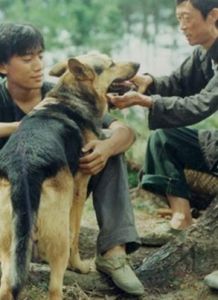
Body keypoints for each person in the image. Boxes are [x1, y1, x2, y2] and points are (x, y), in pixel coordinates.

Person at [0, 22, 144, 296]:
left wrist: (106, 147)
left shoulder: (67, 93)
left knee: (106, 149)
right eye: (27, 58)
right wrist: (25, 125)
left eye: (41, 56)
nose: (37, 65)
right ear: (3, 66)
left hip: (55, 190)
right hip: (12, 193)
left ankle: (114, 251)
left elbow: (125, 132)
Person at [108, 0, 218, 289]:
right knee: (163, 138)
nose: (181, 26)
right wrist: (145, 83)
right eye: (178, 19)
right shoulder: (204, 55)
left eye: (186, 18)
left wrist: (146, 101)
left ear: (213, 16)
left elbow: (200, 105)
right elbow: (179, 83)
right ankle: (181, 219)